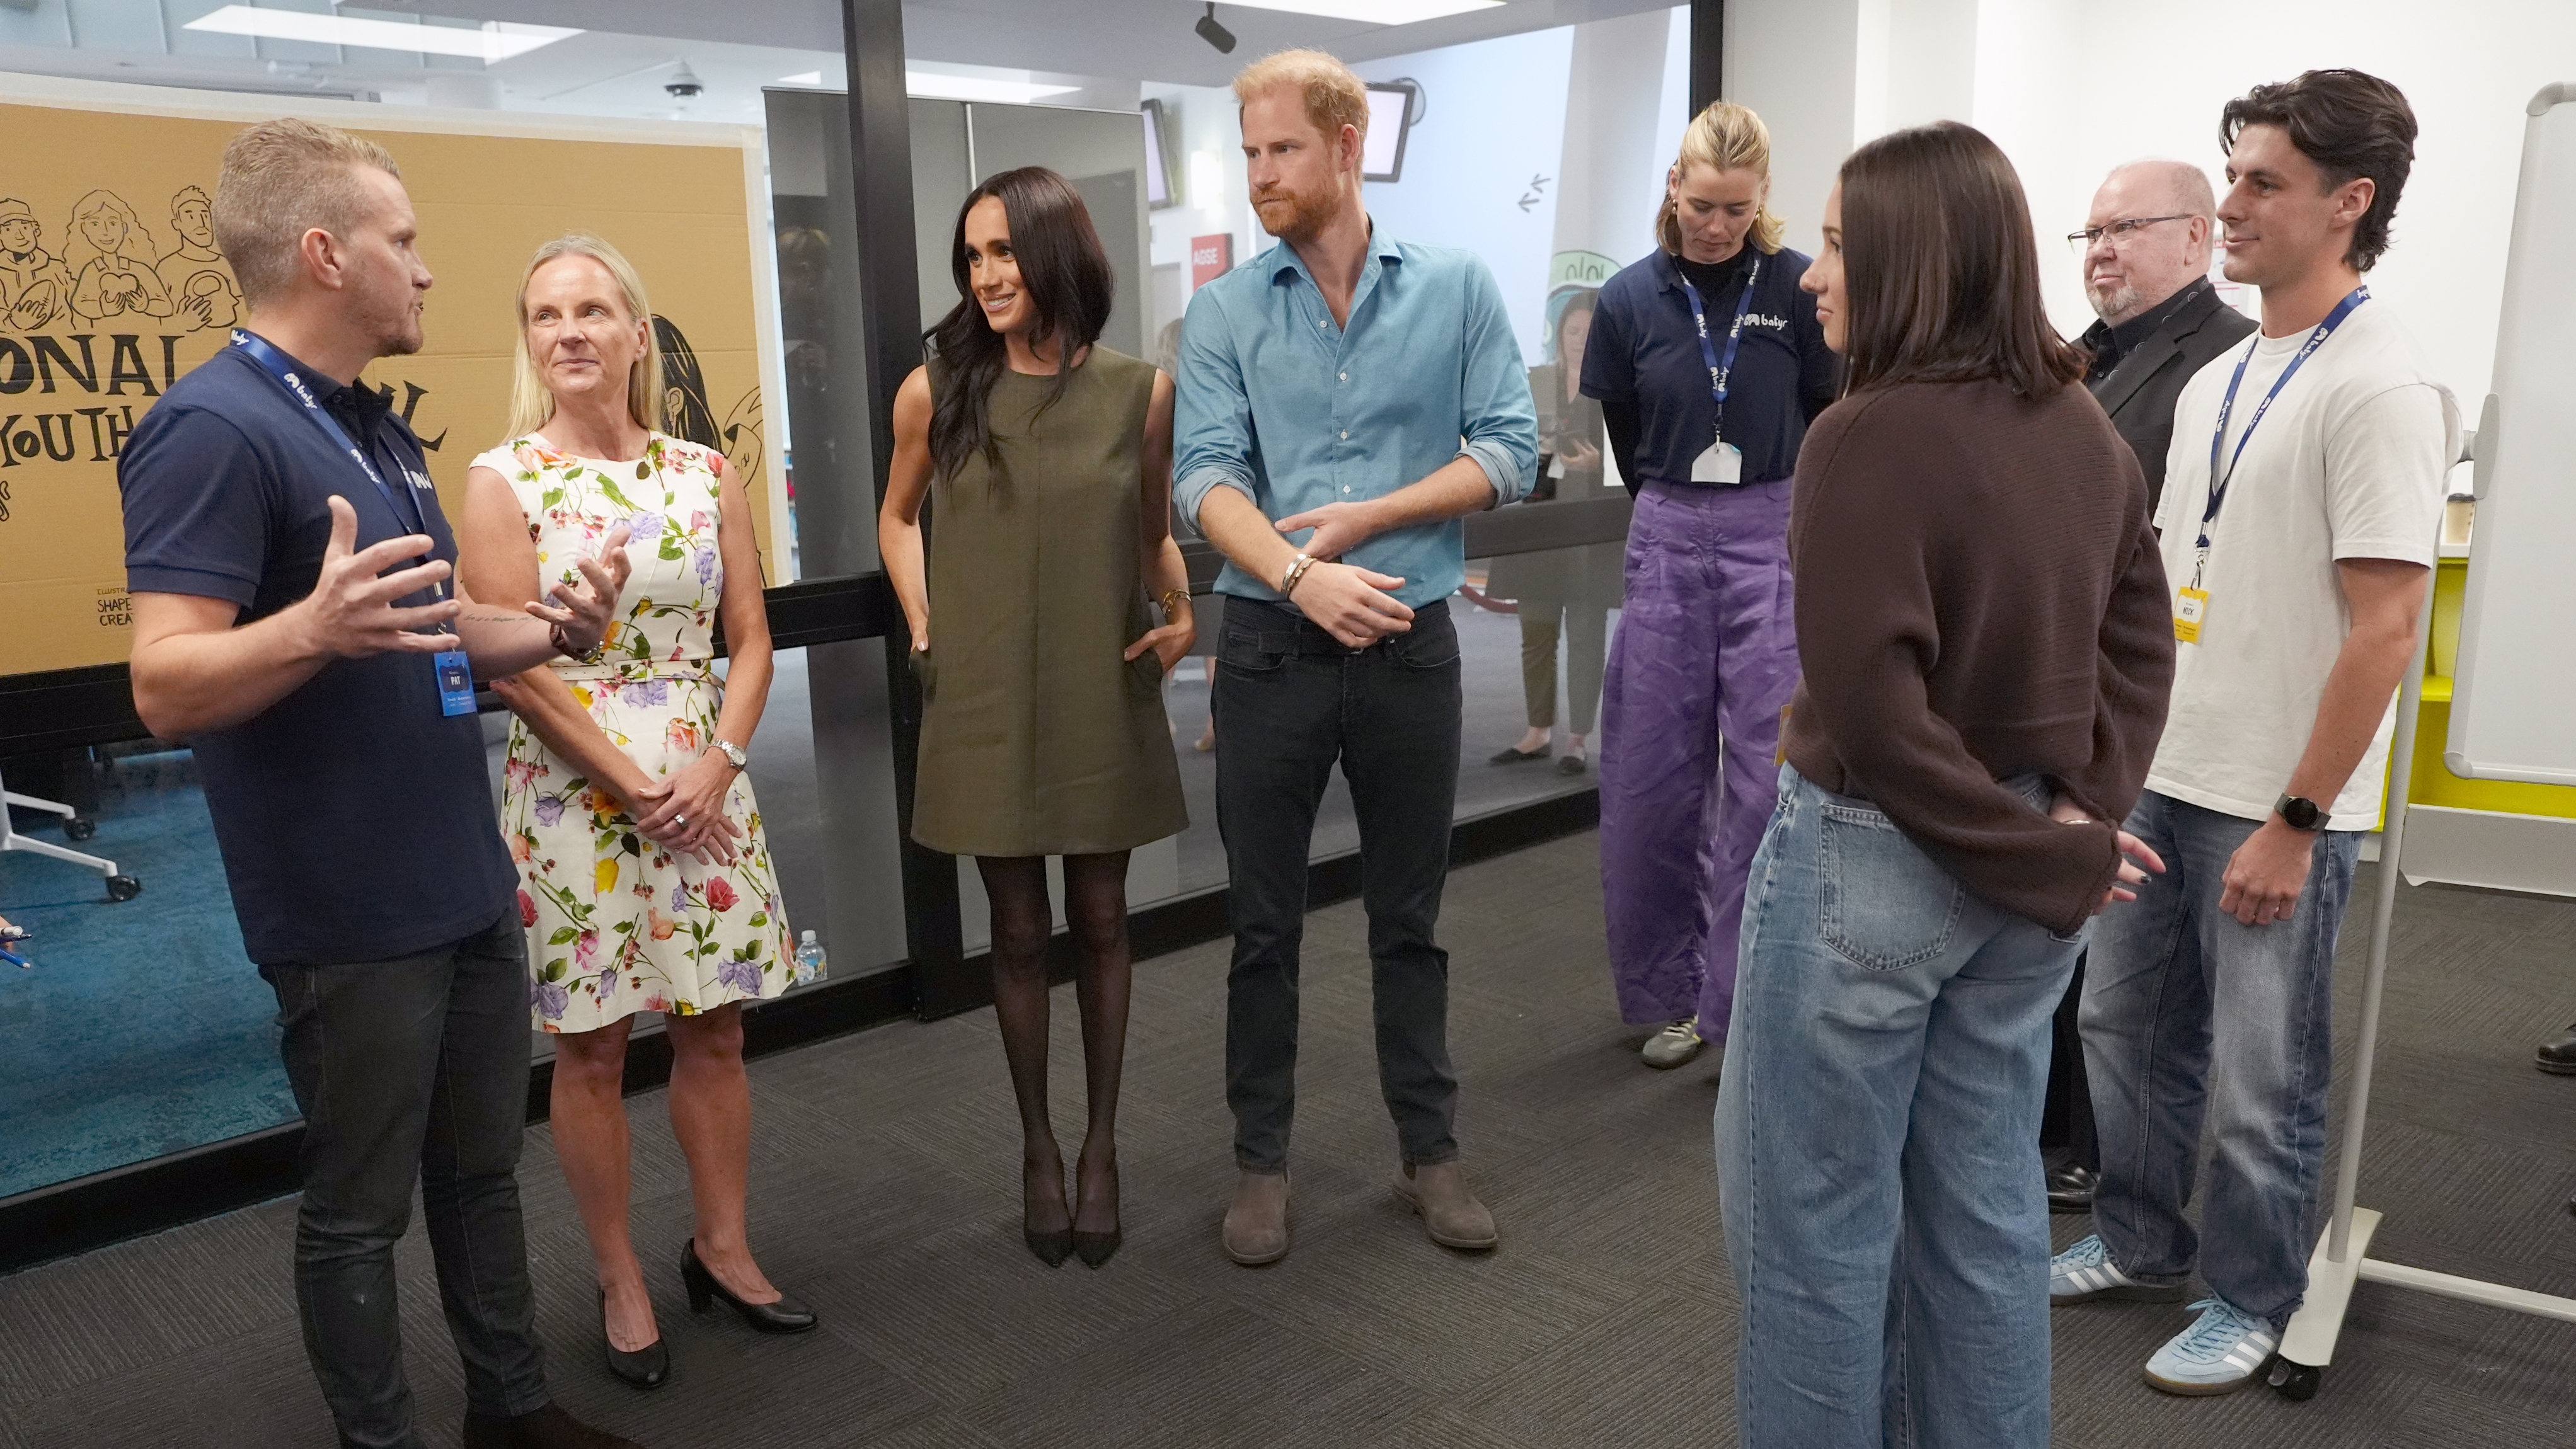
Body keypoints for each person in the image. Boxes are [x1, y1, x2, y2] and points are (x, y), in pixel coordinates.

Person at [117, 118, 646, 1449]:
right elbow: (163, 683)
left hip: (459, 880)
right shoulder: (209, 428)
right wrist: (309, 629)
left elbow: (442, 625)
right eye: (401, 241)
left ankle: (511, 1413)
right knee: (361, 1211)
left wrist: (555, 630)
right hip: (345, 910)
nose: (424, 268)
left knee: (480, 1172)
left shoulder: (375, 429)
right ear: (323, 254)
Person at [1714, 122, 2175, 1449]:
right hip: (2025, 882)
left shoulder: (1862, 435)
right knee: (1984, 1221)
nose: (1811, 275)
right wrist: (2079, 816)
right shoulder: (2081, 425)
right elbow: (2141, 639)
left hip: (1878, 870)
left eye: (1837, 246)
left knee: (1811, 1242)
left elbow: (1873, 713)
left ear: (1912, 258)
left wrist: (2050, 850)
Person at [2063, 69, 2457, 1396]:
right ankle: (2136, 1239)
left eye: (2259, 183)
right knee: (2120, 1033)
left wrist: (2296, 821)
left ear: (2349, 203)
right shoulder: (2222, 375)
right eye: (2229, 175)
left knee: (2255, 1079)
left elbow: (2385, 632)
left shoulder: (2384, 382)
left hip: (2277, 799)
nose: (2226, 205)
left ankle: (2251, 1289)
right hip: (2161, 771)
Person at [1175, 48, 1537, 1266]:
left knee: (1409, 920)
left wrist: (1373, 518)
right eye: (1249, 153)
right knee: (1261, 927)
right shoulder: (1225, 311)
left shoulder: (1454, 286)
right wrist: (1298, 577)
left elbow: (1510, 450)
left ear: (1345, 146)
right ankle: (1259, 1165)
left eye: (1281, 149)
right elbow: (1202, 481)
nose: (1259, 174)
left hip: (1406, 648)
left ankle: (1429, 1153)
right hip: (1269, 652)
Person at [459, 232, 815, 1392]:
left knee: (717, 1029)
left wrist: (715, 763)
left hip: (705, 785)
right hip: (576, 796)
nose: (569, 332)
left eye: (592, 311)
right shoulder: (503, 478)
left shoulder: (704, 472)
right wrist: (632, 779)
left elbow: (750, 642)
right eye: (546, 314)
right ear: (529, 341)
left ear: (636, 334)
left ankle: (723, 1248)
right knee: (594, 1048)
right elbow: (516, 671)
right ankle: (618, 1277)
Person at [882, 166, 1192, 1270]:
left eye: (1004, 251)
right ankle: (1037, 1148)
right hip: (986, 690)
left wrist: (1181, 611)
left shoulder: (1140, 393)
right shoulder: (935, 390)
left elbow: (1151, 532)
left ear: (1057, 253)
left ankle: (1102, 1148)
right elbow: (897, 517)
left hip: (1098, 677)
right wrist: (924, 622)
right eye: (972, 257)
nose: (985, 275)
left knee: (1101, 917)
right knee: (1015, 931)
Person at [1584, 100, 1837, 1070]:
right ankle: (1677, 994)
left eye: (1736, 208)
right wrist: (1678, 510)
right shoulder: (1627, 300)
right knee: (1651, 777)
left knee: (1768, 782)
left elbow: (1824, 414)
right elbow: (1624, 430)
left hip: (1771, 532)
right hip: (1667, 531)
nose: (1717, 226)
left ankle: (1749, 999)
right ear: (1673, 189)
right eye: (1701, 206)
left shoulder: (1799, 287)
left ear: (1763, 196)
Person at [2040, 159, 2257, 1214]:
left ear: (2197, 237)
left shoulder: (2223, 360)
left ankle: (2097, 1148)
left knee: (2119, 952)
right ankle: (2052, 1126)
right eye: (2090, 233)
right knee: (2062, 929)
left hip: (2140, 691)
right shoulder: (2081, 355)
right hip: (2058, 678)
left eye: (2125, 228)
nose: (2101, 251)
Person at [1485, 287, 1619, 778]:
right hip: (1537, 525)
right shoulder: (1534, 381)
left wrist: (1600, 465)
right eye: (1573, 330)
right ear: (1560, 333)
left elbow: (1636, 460)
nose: (1579, 339)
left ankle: (1578, 740)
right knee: (1536, 633)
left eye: (1589, 331)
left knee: (1586, 638)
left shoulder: (1619, 388)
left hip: (1588, 531)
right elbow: (1504, 438)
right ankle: (1537, 731)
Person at [0, 198, 73, 331]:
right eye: (9, 229)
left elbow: (77, 304)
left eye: (25, 227)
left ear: (35, 230)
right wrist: (13, 322)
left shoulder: (56, 268)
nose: (20, 236)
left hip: (61, 338)